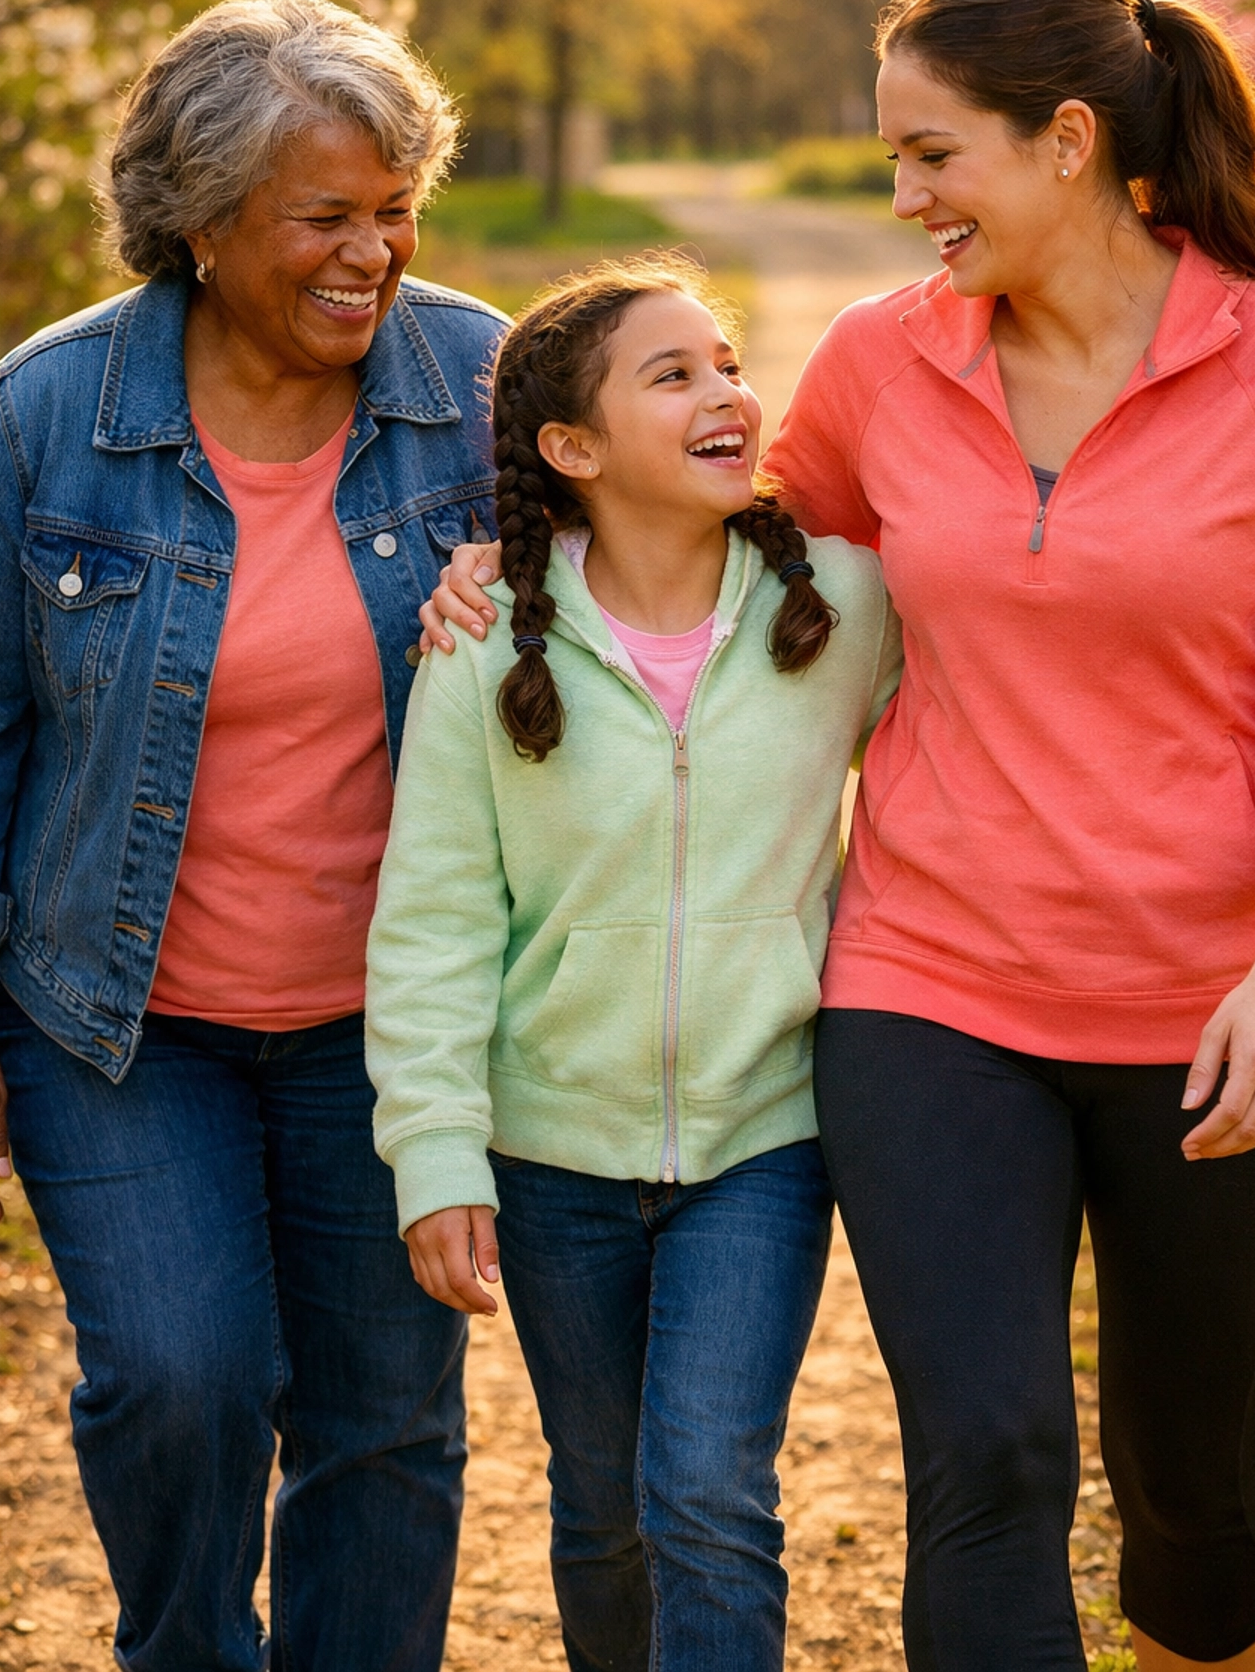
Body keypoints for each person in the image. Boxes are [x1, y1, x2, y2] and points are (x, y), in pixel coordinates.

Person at [423, 0, 1255, 1672]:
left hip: (1222, 1007)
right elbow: (716, 536)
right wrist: (516, 566)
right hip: (931, 997)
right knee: (994, 1459)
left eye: (932, 156)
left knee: (1193, 1498)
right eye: (890, 160)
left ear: (1069, 142)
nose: (903, 200)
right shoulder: (886, 364)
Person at [0, 0, 506, 1672]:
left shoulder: (472, 378)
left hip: (389, 1025)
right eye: (325, 217)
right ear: (199, 219)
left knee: (384, 1424)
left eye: (395, 210)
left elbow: (640, 590)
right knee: (180, 1380)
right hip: (118, 1018)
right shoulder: (48, 414)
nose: (372, 254)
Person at [367, 256, 902, 1672]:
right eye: (673, 375)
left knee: (711, 1497)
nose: (728, 391)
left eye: (727, 360)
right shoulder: (483, 649)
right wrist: (437, 1156)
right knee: (604, 1510)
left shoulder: (843, 609)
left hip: (764, 1140)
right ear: (573, 450)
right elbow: (431, 924)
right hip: (553, 1158)